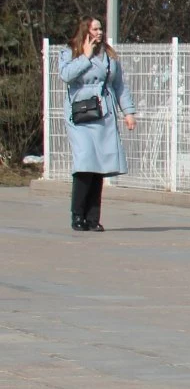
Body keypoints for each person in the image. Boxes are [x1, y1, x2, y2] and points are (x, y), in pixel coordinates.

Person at [58, 19, 135, 233]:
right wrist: (85, 56)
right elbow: (65, 75)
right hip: (80, 115)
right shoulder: (70, 52)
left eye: (101, 28)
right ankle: (77, 215)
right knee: (85, 162)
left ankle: (93, 218)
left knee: (98, 166)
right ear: (85, 30)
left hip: (104, 114)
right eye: (95, 29)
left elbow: (119, 85)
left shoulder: (109, 55)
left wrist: (128, 112)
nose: (99, 32)